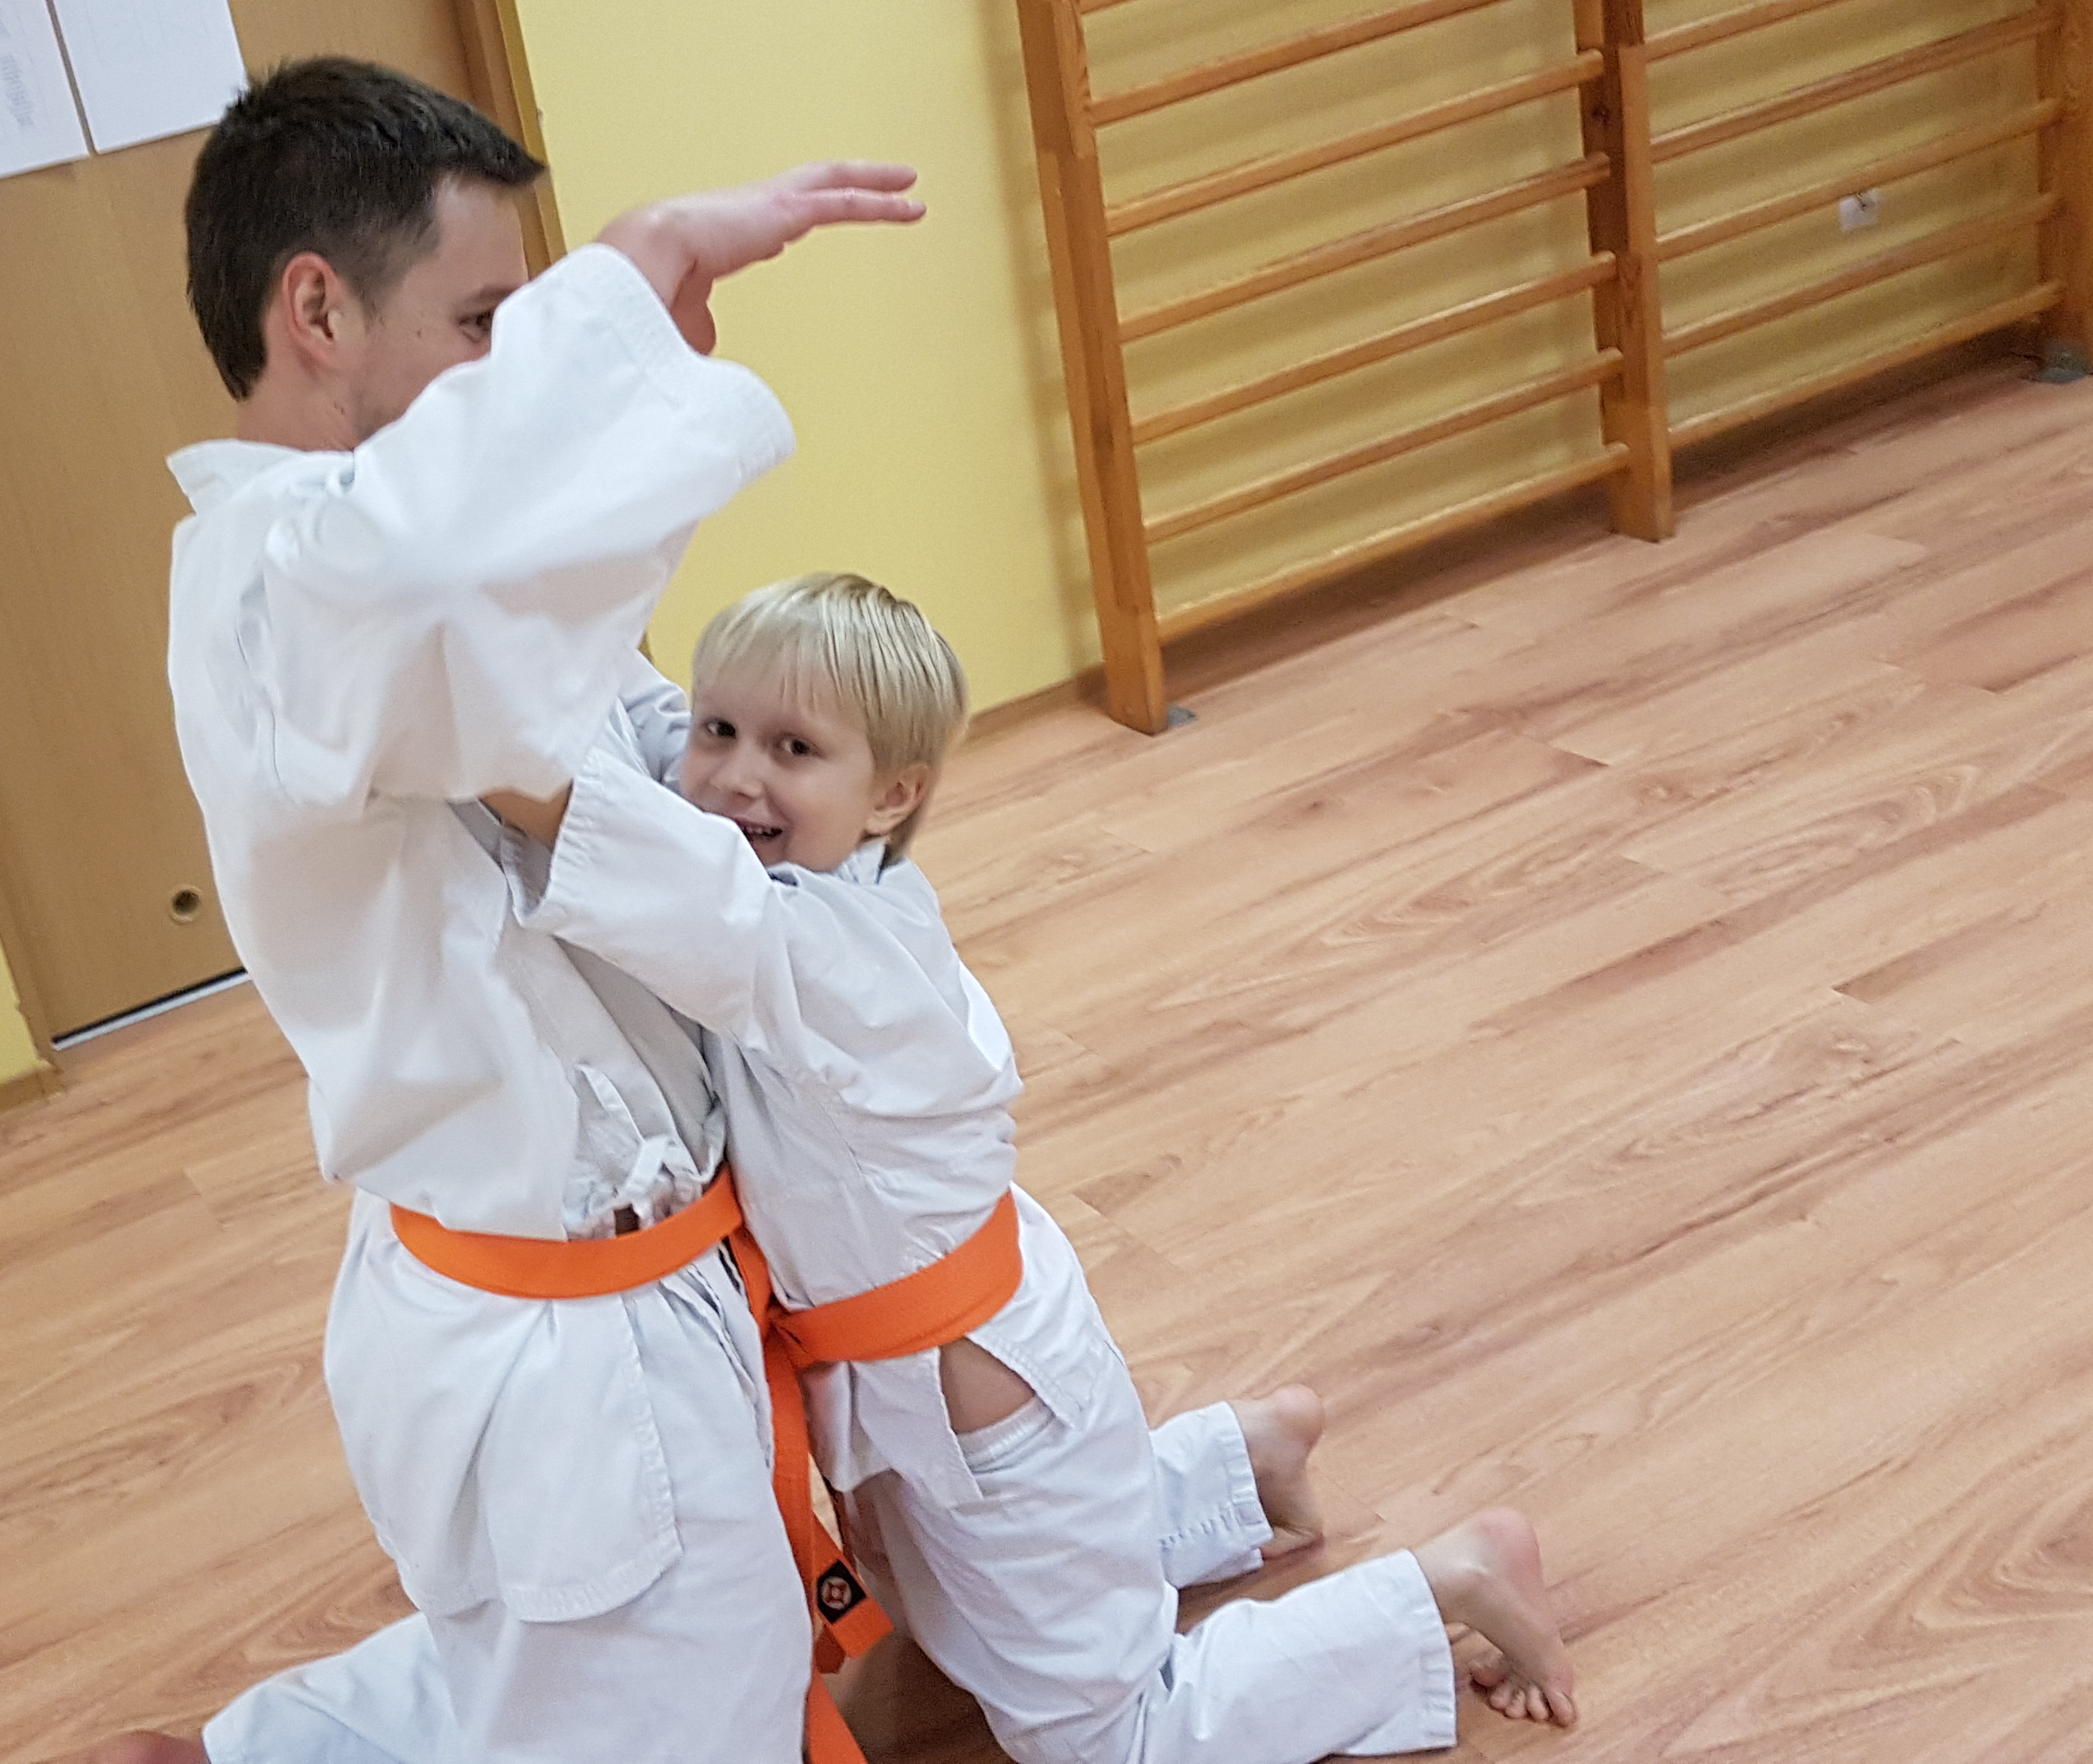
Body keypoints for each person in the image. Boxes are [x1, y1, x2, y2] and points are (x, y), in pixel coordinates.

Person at [129, 55, 924, 1764]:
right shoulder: (291, 587)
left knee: (624, 1660)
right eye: (486, 322)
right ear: (318, 311)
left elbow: (563, 683)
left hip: (600, 1290)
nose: (518, 366)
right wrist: (631, 275)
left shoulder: (398, 581)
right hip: (560, 1345)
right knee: (667, 1692)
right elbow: (425, 576)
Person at [484, 571, 1580, 1761]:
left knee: (1104, 1735)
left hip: (987, 1404)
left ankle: (1448, 1581)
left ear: (893, 794)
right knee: (954, 1612)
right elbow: (649, 734)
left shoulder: (823, 947)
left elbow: (601, 830)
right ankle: (1237, 1463)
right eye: (721, 729)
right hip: (931, 1373)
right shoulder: (788, 857)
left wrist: (422, 697)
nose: (736, 775)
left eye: (792, 748)